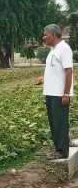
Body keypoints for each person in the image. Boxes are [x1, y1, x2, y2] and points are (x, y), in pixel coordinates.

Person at [36, 24, 74, 159]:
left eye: (46, 35)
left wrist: (66, 94)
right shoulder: (53, 50)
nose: (44, 37)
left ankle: (62, 152)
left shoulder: (64, 49)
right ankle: (59, 146)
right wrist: (44, 77)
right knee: (54, 122)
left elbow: (68, 72)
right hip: (50, 92)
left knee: (60, 122)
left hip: (59, 94)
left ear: (53, 35)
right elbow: (55, 70)